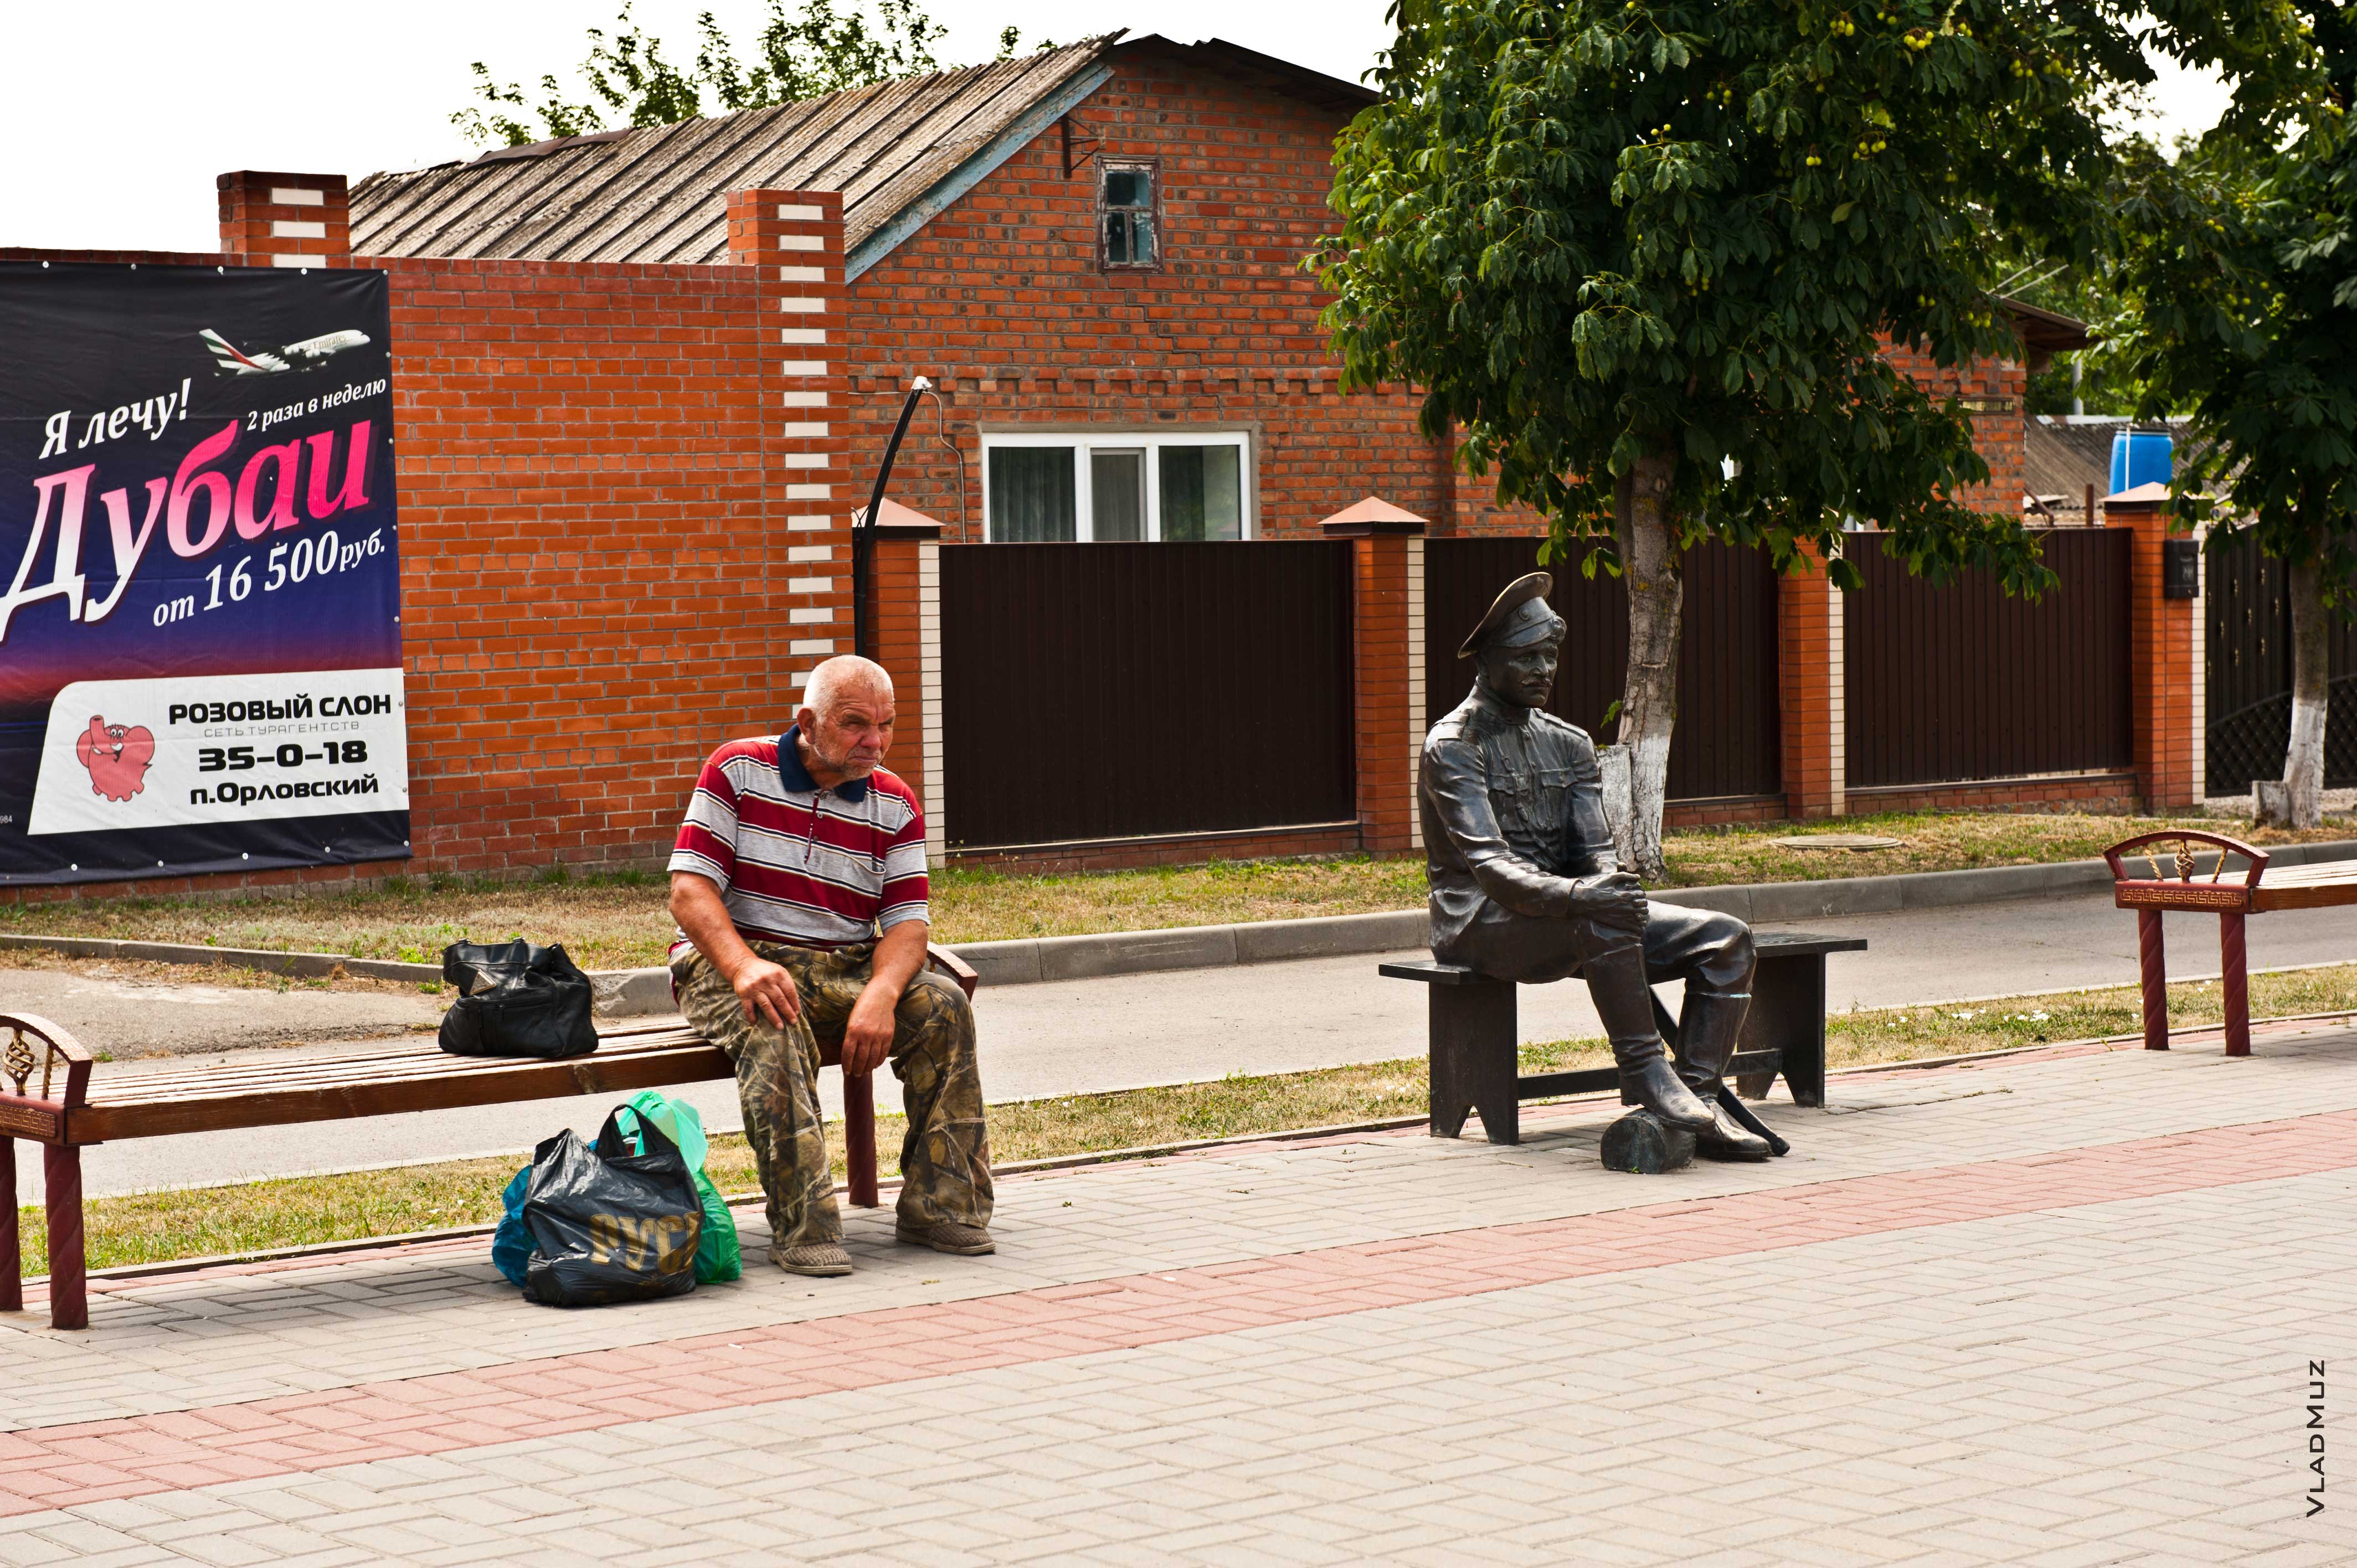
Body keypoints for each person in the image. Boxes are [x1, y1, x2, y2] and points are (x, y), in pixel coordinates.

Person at [1419, 573, 1772, 1160]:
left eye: (1550, 655)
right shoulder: (1453, 746)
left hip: (1569, 912)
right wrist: (1589, 897)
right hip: (1479, 922)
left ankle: (1694, 1103)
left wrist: (1606, 884)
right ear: (1486, 662)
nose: (1543, 669)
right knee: (1599, 916)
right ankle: (1644, 1073)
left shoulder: (1571, 743)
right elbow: (1489, 866)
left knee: (1725, 938)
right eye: (1526, 656)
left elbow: (1596, 852)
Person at [668, 654, 994, 1276]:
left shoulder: (894, 803)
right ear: (807, 722)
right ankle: (805, 1226)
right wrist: (742, 967)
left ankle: (942, 1207)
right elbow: (689, 891)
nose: (875, 742)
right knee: (772, 1017)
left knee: (944, 1007)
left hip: (842, 966)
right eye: (854, 725)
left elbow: (907, 924)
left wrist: (880, 994)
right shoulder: (736, 770)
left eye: (886, 725)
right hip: (732, 961)